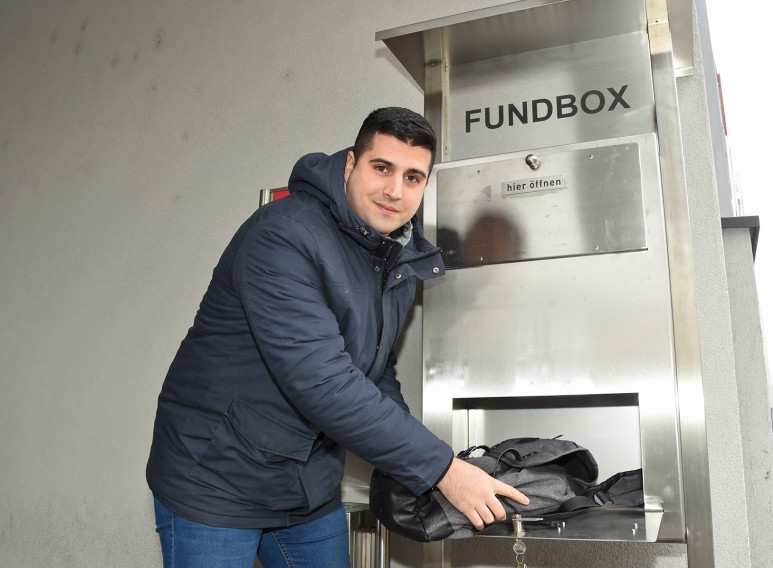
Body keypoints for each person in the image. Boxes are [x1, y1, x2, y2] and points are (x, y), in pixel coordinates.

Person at [146, 107, 528, 568]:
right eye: (382, 168)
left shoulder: (395, 256)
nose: (394, 190)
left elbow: (374, 369)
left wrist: (410, 465)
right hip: (216, 478)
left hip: (307, 481)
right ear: (350, 165)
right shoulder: (283, 236)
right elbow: (324, 383)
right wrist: (441, 469)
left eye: (413, 177)